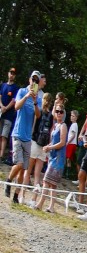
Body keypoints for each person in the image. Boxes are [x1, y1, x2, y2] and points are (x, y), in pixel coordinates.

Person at [5, 71, 41, 204]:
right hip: (18, 134)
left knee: (24, 170)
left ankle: (16, 196)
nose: (34, 82)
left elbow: (38, 116)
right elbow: (16, 106)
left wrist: (35, 102)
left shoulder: (38, 97)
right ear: (29, 79)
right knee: (19, 164)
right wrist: (26, 96)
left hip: (27, 137)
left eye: (37, 81)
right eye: (33, 79)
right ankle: (8, 181)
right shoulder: (21, 91)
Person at [33, 104, 68, 212]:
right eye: (57, 111)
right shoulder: (55, 125)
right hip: (53, 156)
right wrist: (48, 147)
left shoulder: (63, 126)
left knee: (46, 180)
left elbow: (62, 143)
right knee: (52, 184)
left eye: (61, 112)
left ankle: (40, 204)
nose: (59, 113)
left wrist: (50, 147)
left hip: (58, 158)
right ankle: (51, 207)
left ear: (64, 114)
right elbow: (53, 140)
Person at [1, 67, 19, 164]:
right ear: (8, 73)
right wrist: (1, 106)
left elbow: (13, 101)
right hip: (1, 113)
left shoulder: (15, 88)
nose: (11, 74)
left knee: (4, 136)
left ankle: (1, 155)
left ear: (15, 76)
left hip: (9, 115)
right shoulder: (3, 85)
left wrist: (6, 108)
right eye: (10, 72)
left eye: (13, 73)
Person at [65, 110, 79, 180]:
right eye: (71, 116)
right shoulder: (74, 125)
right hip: (72, 143)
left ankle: (68, 174)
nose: (71, 117)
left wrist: (67, 142)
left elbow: (73, 135)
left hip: (71, 143)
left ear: (76, 117)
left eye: (73, 116)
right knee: (69, 159)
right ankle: (68, 173)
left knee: (68, 159)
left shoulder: (74, 125)